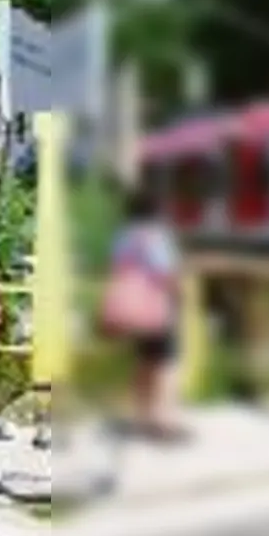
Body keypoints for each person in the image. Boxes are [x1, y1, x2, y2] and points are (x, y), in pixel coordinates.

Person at [109, 184, 188, 442]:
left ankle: (140, 416)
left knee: (142, 362)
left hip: (133, 310)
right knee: (166, 363)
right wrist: (180, 294)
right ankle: (162, 421)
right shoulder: (155, 237)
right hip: (157, 308)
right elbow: (164, 272)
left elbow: (118, 268)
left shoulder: (124, 236)